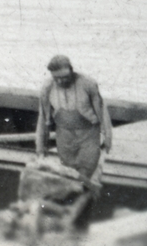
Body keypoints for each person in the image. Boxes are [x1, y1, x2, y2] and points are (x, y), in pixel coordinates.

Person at [34, 54, 113, 183]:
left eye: (65, 77)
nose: (60, 81)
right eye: (56, 78)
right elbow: (43, 119)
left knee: (86, 172)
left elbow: (103, 113)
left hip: (88, 135)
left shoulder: (88, 84)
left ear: (71, 71)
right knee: (68, 172)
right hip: (64, 136)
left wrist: (107, 138)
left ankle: (86, 186)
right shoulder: (47, 88)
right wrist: (40, 147)